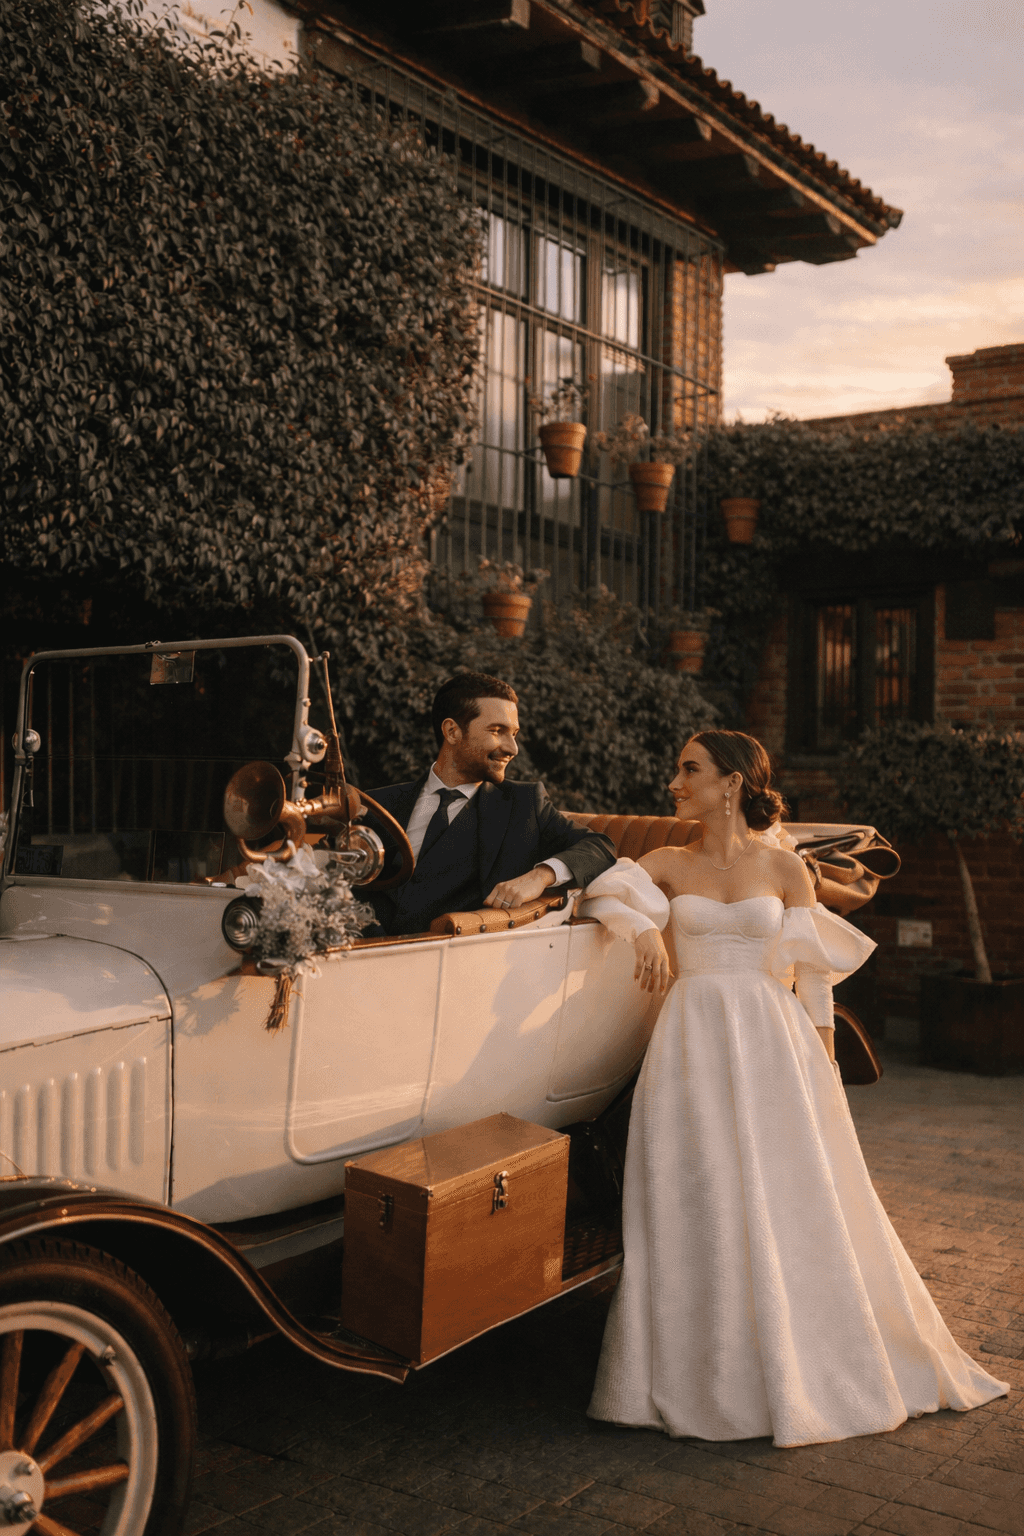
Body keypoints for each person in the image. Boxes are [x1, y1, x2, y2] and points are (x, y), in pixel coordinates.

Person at [581, 729, 1008, 1448]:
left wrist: (825, 1066)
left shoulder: (786, 869)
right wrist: (643, 930)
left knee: (783, 1191)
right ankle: (698, 1368)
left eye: (689, 769)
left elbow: (812, 978)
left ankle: (797, 1353)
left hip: (772, 1043)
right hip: (689, 1040)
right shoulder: (665, 861)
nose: (674, 781)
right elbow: (601, 893)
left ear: (732, 784)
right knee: (699, 1191)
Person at [365, 673, 616, 936]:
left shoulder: (525, 805)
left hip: (455, 960)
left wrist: (539, 876)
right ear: (452, 731)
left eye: (514, 733)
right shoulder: (377, 804)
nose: (513, 748)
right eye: (497, 731)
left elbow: (601, 847)